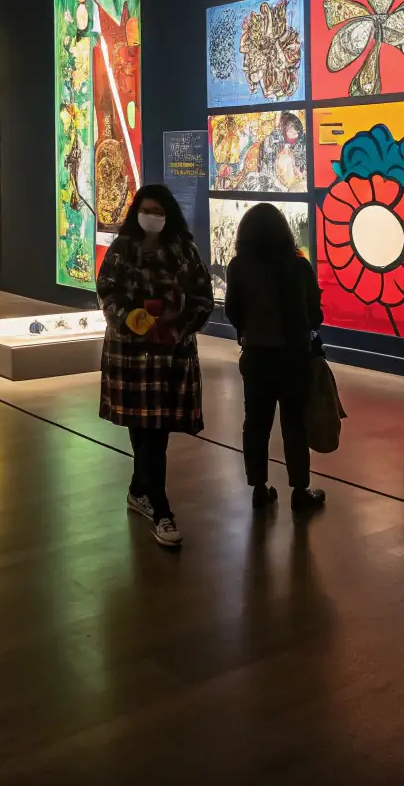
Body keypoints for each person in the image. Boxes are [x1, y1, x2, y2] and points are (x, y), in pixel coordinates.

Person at [97, 184, 214, 548]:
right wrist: (127, 316)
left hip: (171, 355)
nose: (152, 217)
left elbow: (203, 296)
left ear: (169, 214)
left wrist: (179, 325)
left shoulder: (184, 250)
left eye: (158, 211)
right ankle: (159, 508)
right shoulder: (122, 249)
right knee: (143, 429)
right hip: (130, 354)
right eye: (145, 210)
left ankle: (144, 494)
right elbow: (106, 289)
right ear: (136, 212)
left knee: (155, 430)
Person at [225, 202, 326, 513]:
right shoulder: (299, 266)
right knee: (294, 424)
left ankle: (258, 487)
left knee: (255, 424)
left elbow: (232, 311)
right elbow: (315, 314)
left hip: (257, 357)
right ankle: (299, 489)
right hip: (294, 357)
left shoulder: (239, 267)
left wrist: (249, 331)